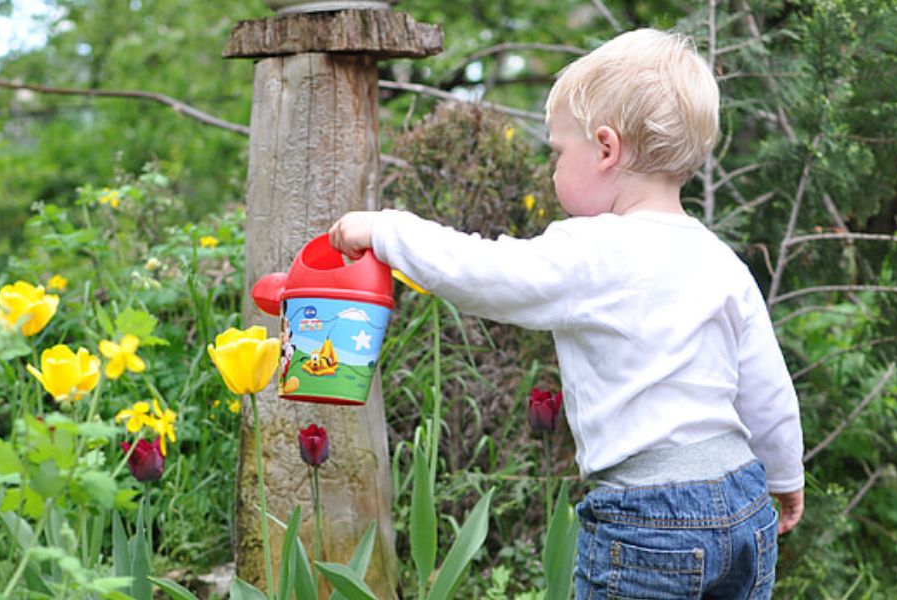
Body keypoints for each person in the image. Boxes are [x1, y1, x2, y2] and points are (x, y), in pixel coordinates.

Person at [328, 27, 804, 599]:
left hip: (651, 521)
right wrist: (784, 475)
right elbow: (767, 386)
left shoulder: (593, 249)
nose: (553, 170)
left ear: (606, 149)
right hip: (743, 502)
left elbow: (483, 272)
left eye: (558, 152)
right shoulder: (719, 260)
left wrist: (385, 229)